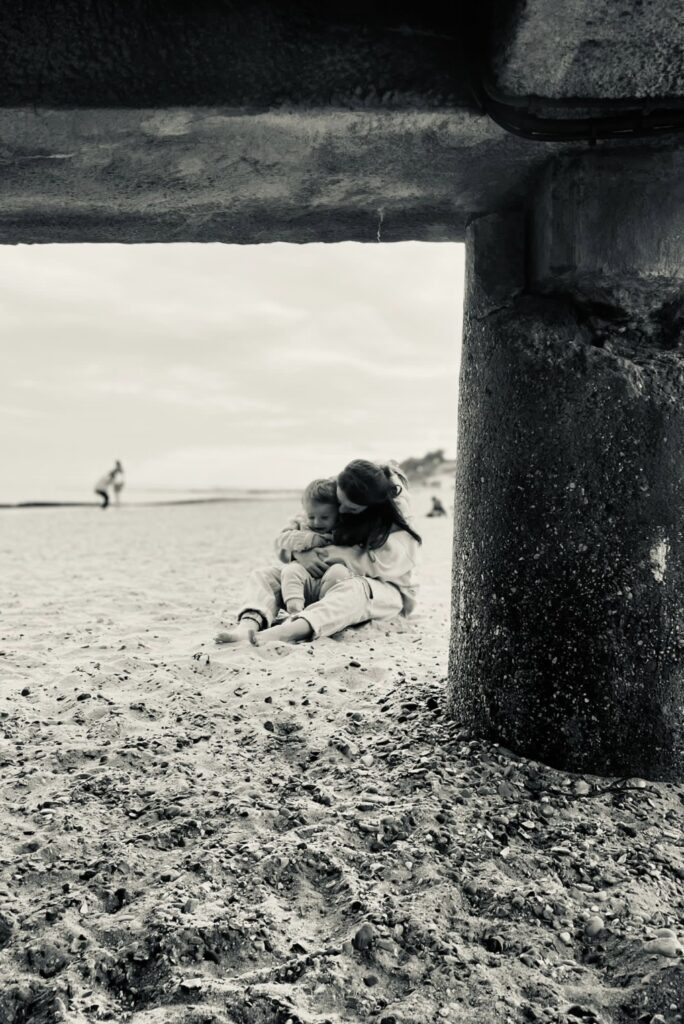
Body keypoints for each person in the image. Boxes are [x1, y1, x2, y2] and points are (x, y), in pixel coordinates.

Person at [215, 459, 421, 645]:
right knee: (265, 576)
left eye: (351, 509)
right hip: (323, 580)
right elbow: (287, 536)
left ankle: (291, 630)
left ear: (372, 508)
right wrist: (301, 554)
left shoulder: (397, 521)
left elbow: (371, 564)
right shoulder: (336, 490)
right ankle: (248, 626)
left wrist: (320, 555)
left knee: (355, 590)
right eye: (339, 502)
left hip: (383, 592)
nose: (340, 511)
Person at [276, 477, 340, 616]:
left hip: (329, 576)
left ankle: (323, 611)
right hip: (304, 575)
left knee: (339, 574)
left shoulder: (341, 528)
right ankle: (294, 610)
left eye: (324, 517)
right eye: (311, 517)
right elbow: (281, 539)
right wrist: (309, 539)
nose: (317, 522)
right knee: (290, 571)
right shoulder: (300, 523)